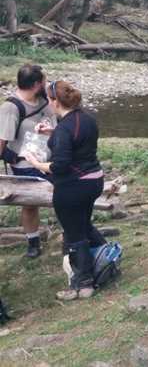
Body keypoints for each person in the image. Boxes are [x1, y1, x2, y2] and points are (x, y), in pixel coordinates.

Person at [24, 81, 106, 300]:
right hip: (94, 181)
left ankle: (83, 284)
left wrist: (34, 162)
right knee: (83, 224)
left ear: (55, 101)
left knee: (73, 234)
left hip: (72, 187)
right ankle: (106, 258)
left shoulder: (64, 129)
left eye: (48, 100)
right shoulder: (86, 118)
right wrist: (53, 132)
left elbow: (59, 165)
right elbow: (78, 140)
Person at [0, 64, 53, 258]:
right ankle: (33, 241)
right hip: (25, 164)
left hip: (51, 161)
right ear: (37, 84)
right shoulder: (11, 108)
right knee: (30, 204)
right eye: (44, 81)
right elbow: (2, 142)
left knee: (64, 198)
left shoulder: (45, 101)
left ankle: (71, 238)